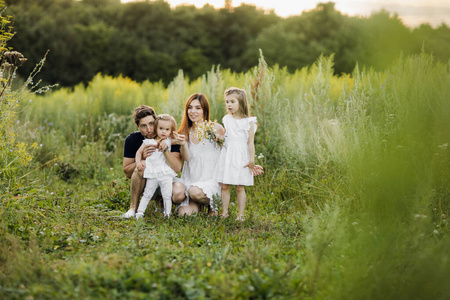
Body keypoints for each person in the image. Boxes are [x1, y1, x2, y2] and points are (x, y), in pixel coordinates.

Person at [122, 105, 183, 219]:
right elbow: (127, 171)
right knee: (141, 167)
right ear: (138, 126)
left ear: (156, 121)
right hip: (147, 181)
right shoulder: (132, 139)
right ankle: (133, 209)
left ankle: (164, 206)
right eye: (144, 126)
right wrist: (144, 159)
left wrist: (165, 149)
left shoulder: (168, 136)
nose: (149, 129)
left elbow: (177, 167)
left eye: (151, 124)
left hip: (166, 178)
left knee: (178, 193)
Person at [172, 93, 225, 216]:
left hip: (211, 180)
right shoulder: (185, 132)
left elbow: (226, 154)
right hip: (191, 180)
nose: (193, 111)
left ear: (204, 110)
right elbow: (186, 158)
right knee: (185, 214)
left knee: (194, 192)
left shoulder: (215, 129)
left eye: (198, 108)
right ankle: (199, 205)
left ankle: (215, 204)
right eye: (190, 108)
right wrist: (183, 143)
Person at [214, 87, 261, 221]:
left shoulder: (249, 122)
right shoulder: (227, 119)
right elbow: (227, 137)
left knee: (239, 186)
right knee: (225, 185)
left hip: (240, 156)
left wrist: (251, 160)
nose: (229, 105)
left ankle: (241, 214)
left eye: (232, 101)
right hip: (227, 155)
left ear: (241, 102)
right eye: (227, 102)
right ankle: (224, 212)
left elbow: (250, 142)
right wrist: (218, 136)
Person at [134, 114, 188, 219]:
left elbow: (179, 141)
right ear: (156, 128)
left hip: (165, 173)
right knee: (148, 193)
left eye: (167, 129)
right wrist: (138, 162)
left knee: (167, 195)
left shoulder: (168, 141)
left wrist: (179, 138)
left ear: (171, 131)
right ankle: (139, 213)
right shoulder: (149, 142)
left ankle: (167, 214)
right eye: (161, 128)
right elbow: (138, 152)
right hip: (153, 173)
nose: (163, 131)